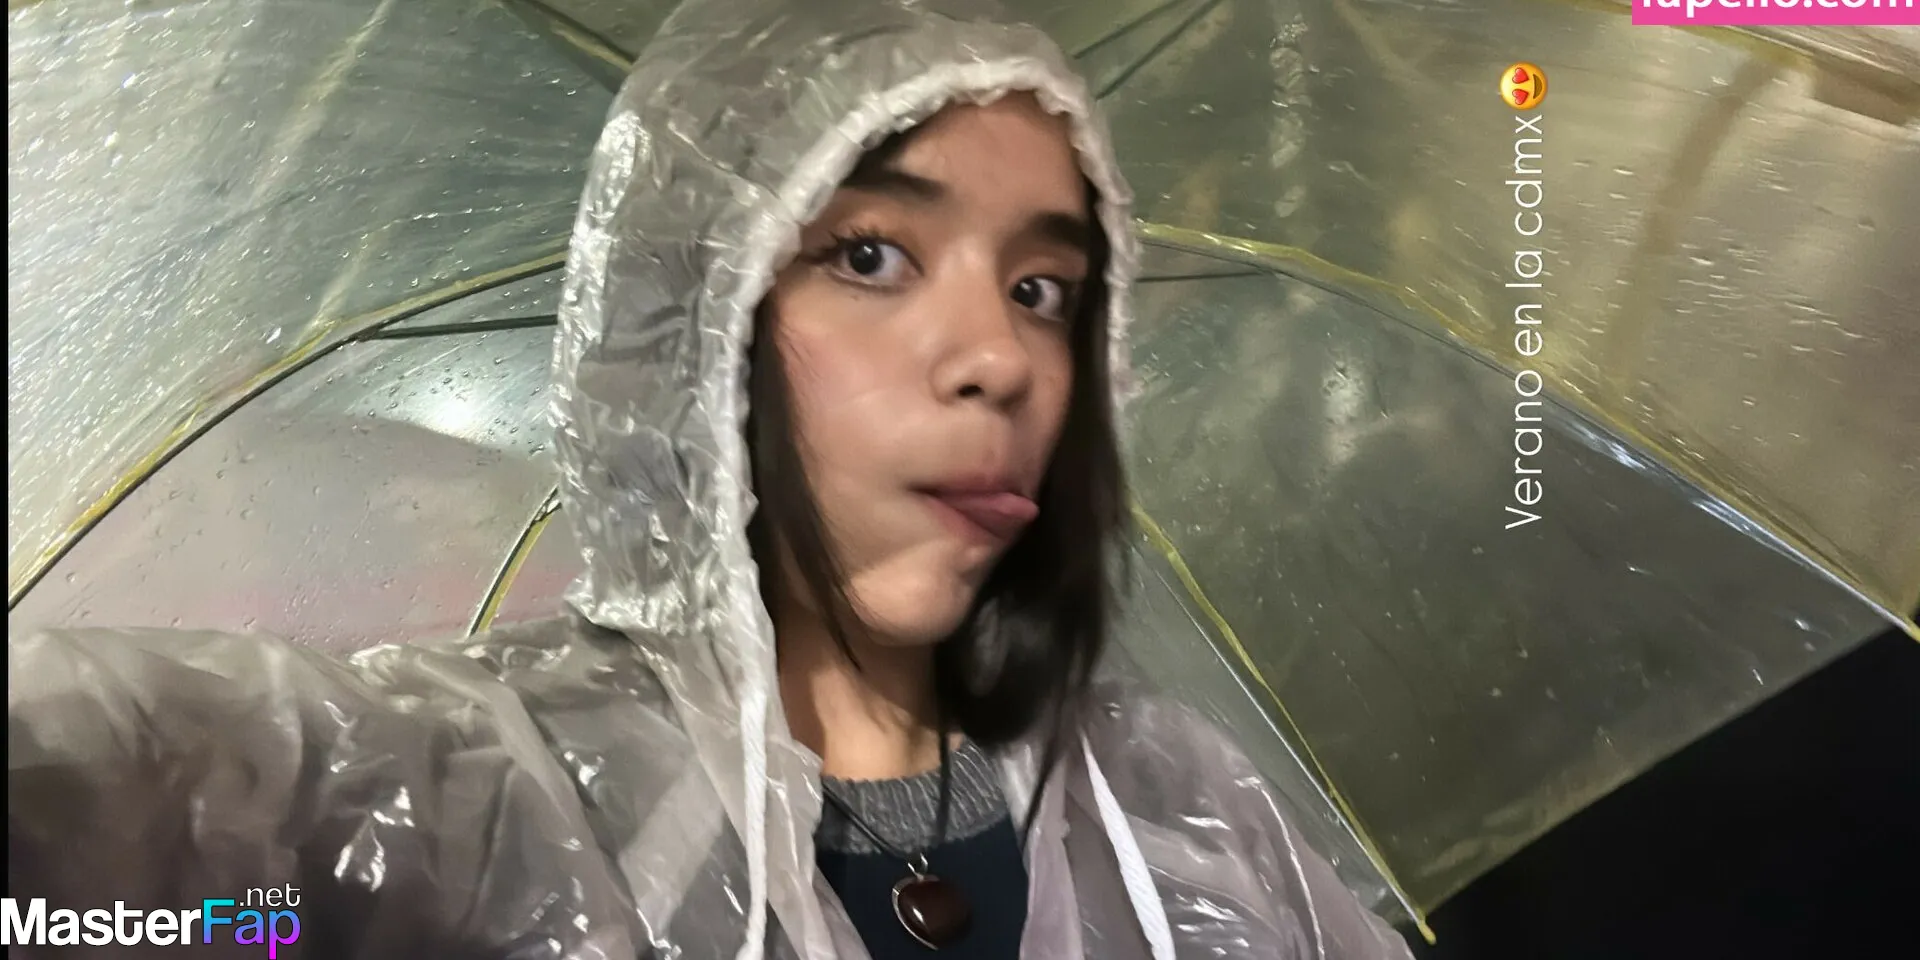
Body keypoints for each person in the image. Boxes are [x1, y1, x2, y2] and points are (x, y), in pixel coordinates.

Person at [7, 2, 1416, 958]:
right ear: (687, 326)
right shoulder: (474, 797)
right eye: (872, 255)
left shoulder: (1178, 807)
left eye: (1045, 286)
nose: (1001, 357)